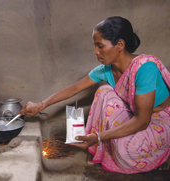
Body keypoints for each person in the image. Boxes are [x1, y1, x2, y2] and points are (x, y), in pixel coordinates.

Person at [18, 16, 170, 174]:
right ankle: (100, 149)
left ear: (120, 45)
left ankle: (165, 151)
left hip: (158, 121)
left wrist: (98, 137)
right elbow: (73, 89)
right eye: (95, 46)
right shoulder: (106, 69)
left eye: (100, 46)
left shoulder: (144, 69)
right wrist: (41, 105)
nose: (95, 52)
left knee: (126, 148)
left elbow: (142, 121)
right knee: (104, 92)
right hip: (138, 116)